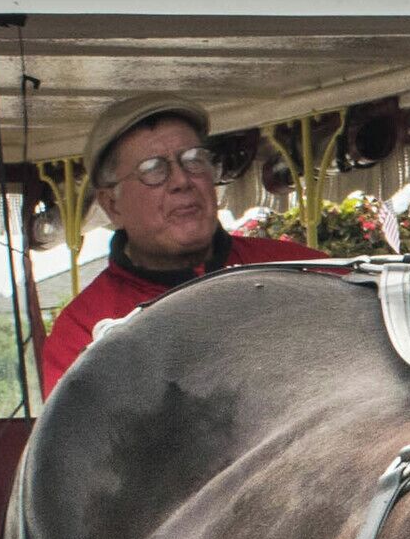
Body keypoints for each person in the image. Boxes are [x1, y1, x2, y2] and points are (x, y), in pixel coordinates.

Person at [36, 97, 328, 395]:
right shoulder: (83, 331)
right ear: (112, 205)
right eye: (152, 169)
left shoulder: (302, 270)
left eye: (193, 160)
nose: (181, 180)